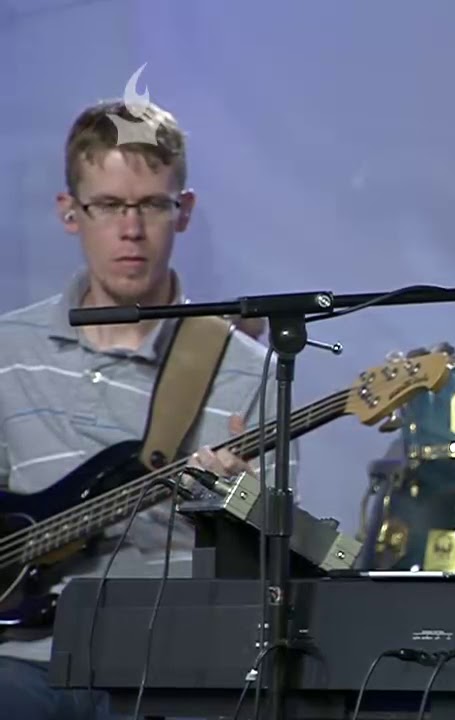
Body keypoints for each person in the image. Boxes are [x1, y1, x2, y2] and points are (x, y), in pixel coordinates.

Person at [0, 99, 281, 718]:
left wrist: (238, 503)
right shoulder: (7, 351)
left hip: (169, 662)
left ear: (184, 211)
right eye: (108, 206)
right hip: (22, 659)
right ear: (69, 211)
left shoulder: (244, 368)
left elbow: (284, 553)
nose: (131, 230)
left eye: (151, 205)